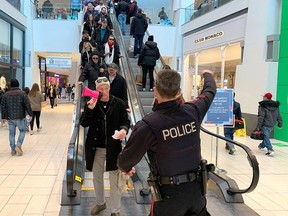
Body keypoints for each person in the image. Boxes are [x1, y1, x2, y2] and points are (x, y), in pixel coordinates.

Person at [117, 69, 216, 216]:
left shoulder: (148, 125)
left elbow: (124, 161)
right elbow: (210, 91)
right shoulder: (193, 111)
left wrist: (127, 167)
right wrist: (207, 74)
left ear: (155, 91)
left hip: (168, 196)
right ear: (179, 92)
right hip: (197, 192)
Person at [80, 77, 130, 216]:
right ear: (96, 90)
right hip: (96, 148)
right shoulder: (92, 103)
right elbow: (83, 123)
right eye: (100, 89)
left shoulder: (118, 103)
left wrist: (124, 130)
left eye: (106, 88)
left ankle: (116, 210)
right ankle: (101, 203)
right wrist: (89, 109)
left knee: (115, 180)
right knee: (97, 177)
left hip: (114, 148)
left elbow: (126, 121)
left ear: (109, 88)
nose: (104, 91)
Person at [1, 79, 33, 156]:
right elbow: (27, 105)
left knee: (11, 134)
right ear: (18, 84)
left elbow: (3, 107)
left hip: (10, 117)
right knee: (22, 130)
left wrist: (3, 117)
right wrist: (30, 114)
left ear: (10, 85)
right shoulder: (23, 94)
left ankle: (12, 150)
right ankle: (18, 145)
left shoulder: (6, 94)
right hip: (20, 117)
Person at [257, 92, 282, 156]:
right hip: (272, 124)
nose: (262, 98)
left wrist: (258, 126)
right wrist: (280, 123)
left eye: (263, 97)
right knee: (266, 136)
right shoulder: (275, 106)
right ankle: (261, 145)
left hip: (265, 124)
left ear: (265, 97)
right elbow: (279, 115)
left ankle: (270, 150)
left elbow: (261, 116)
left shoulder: (263, 105)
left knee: (266, 137)